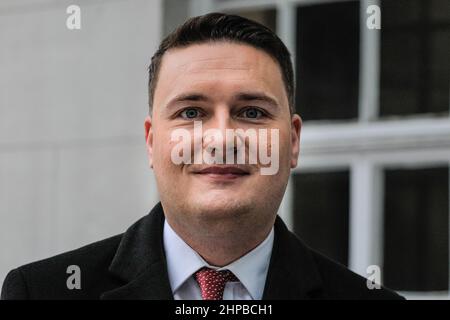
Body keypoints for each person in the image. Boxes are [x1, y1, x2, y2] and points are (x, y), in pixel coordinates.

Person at [1, 13, 403, 300]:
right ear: (151, 141)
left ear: (293, 141)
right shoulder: (41, 292)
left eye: (252, 113)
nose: (222, 137)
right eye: (191, 113)